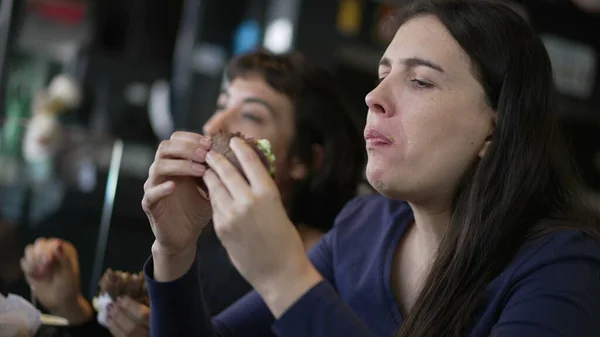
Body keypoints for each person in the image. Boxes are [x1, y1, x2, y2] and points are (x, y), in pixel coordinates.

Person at [142, 1, 600, 337]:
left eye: (420, 81)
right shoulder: (362, 228)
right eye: (383, 73)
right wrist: (174, 251)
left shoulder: (566, 268)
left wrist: (285, 276)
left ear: (493, 131)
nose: (373, 96)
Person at [20, 49, 366, 336]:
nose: (213, 126)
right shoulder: (205, 244)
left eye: (251, 115)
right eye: (221, 104)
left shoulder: (329, 267)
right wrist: (73, 308)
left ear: (303, 160)